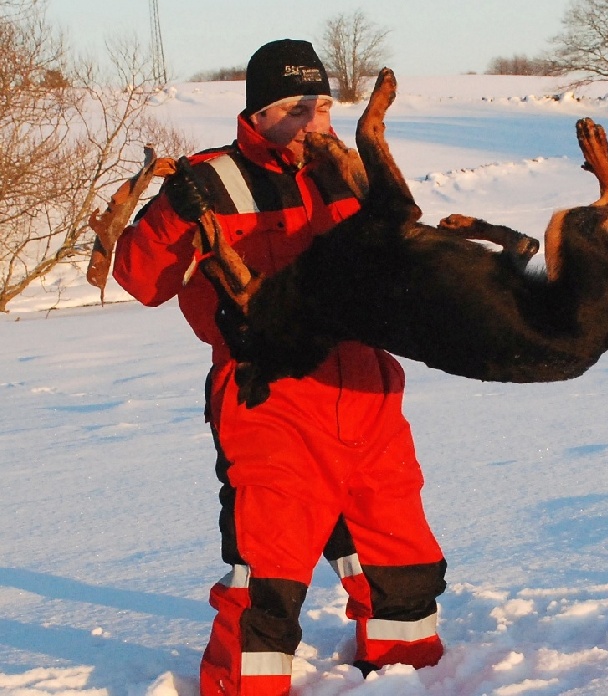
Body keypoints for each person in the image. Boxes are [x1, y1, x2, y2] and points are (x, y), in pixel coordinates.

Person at [112, 39, 447, 696]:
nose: (313, 121)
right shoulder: (209, 180)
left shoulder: (347, 175)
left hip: (370, 394)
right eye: (297, 107)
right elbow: (141, 280)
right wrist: (174, 212)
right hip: (271, 399)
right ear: (258, 114)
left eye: (322, 105)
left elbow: (402, 267)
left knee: (402, 557)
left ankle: (411, 678)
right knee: (269, 572)